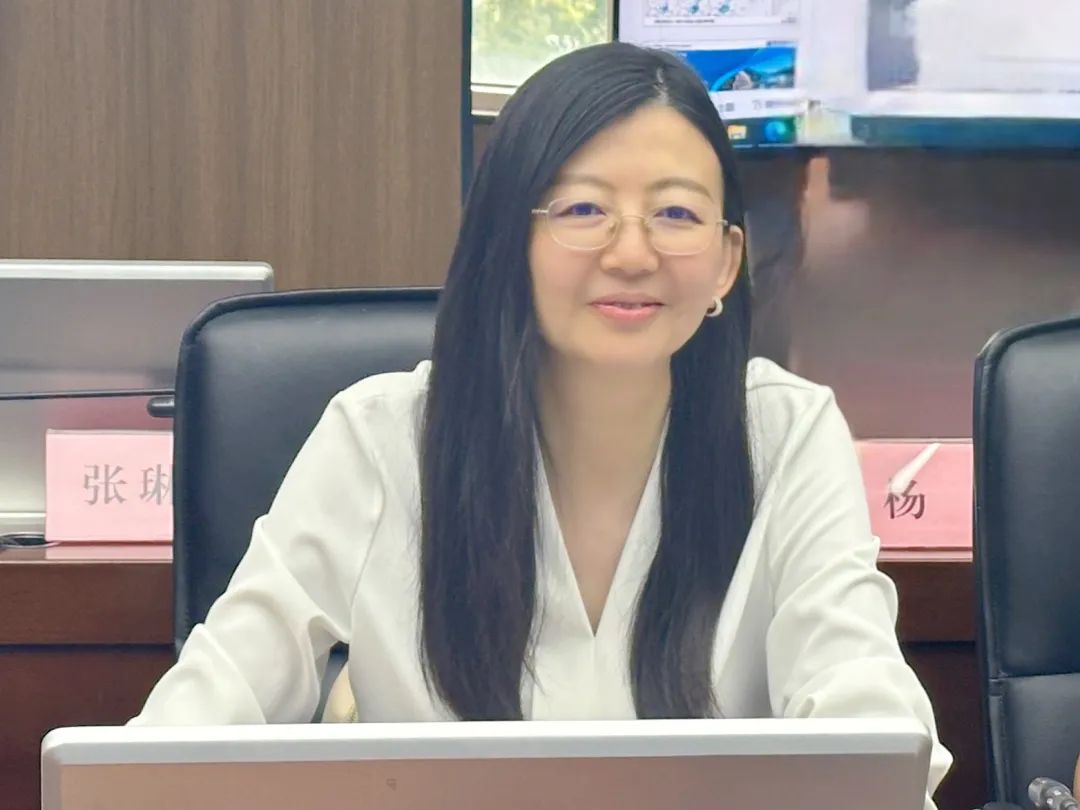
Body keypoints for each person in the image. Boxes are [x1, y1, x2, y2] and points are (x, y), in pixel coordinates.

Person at [130, 42, 951, 807]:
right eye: (584, 208)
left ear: (726, 263)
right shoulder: (378, 441)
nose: (632, 253)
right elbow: (202, 718)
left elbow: (863, 706)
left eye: (675, 213)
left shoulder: (786, 435)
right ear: (508, 241)